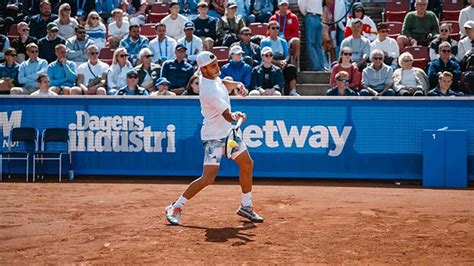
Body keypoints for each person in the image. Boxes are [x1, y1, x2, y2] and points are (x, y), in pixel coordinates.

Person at [165, 50, 263, 226]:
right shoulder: (209, 91)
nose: (217, 68)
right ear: (203, 70)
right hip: (214, 137)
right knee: (208, 178)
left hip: (228, 134)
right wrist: (237, 116)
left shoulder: (211, 78)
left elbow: (222, 83)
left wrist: (237, 84)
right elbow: (227, 116)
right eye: (212, 66)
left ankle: (246, 206)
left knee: (247, 164)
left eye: (217, 63)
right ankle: (176, 206)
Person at [260, 21, 298, 95]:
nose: (275, 30)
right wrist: (277, 62)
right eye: (273, 28)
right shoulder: (264, 42)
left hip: (282, 61)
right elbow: (265, 55)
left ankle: (292, 91)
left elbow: (287, 55)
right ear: (269, 30)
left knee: (291, 68)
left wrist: (284, 61)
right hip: (270, 61)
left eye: (277, 28)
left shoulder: (283, 41)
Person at [269, 0, 300, 67]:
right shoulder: (273, 18)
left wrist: (287, 38)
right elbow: (268, 32)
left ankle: (293, 63)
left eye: (285, 5)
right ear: (278, 6)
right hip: (275, 39)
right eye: (282, 5)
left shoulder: (293, 17)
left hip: (288, 39)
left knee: (296, 41)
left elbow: (296, 33)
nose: (284, 7)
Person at [298, 0, 324, 71]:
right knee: (313, 44)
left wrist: (306, 14)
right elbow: (301, 3)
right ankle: (317, 66)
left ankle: (319, 66)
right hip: (313, 16)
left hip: (315, 17)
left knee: (316, 44)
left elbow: (301, 4)